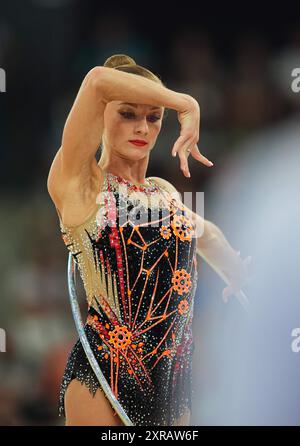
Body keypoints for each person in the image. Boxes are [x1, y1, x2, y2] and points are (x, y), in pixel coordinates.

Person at [47, 54, 250, 426]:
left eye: (154, 117)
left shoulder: (165, 193)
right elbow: (96, 81)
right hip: (103, 378)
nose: (142, 127)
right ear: (101, 115)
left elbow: (207, 235)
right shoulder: (81, 182)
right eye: (127, 114)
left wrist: (238, 270)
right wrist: (185, 102)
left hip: (173, 386)